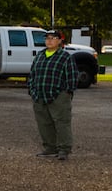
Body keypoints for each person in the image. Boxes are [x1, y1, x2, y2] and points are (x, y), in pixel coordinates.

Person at [28, 29, 78, 160]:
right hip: (39, 95)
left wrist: (66, 93)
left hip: (59, 96)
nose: (49, 40)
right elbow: (32, 75)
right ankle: (50, 147)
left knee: (62, 123)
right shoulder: (39, 55)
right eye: (47, 38)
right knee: (44, 123)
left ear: (60, 40)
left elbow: (72, 78)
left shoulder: (66, 57)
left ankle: (64, 149)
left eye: (53, 38)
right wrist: (32, 91)